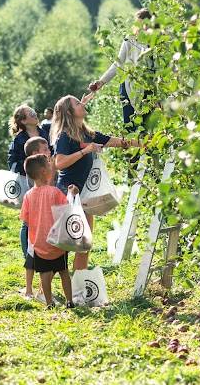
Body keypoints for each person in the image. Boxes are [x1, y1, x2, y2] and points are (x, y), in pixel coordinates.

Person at [51, 95, 139, 270]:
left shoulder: (88, 134)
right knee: (64, 244)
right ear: (69, 112)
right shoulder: (64, 136)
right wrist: (86, 151)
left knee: (84, 244)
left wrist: (145, 143)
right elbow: (59, 163)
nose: (82, 104)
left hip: (85, 196)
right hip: (68, 193)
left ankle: (79, 286)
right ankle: (44, 289)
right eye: (78, 103)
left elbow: (118, 142)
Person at [20, 154, 78, 309]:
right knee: (64, 271)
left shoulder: (28, 195)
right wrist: (72, 193)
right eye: (49, 164)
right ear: (45, 171)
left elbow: (25, 218)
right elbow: (67, 208)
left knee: (44, 274)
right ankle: (69, 301)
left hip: (39, 242)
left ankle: (49, 302)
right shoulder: (54, 192)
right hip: (58, 241)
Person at [87, 8, 156, 132]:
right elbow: (117, 64)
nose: (140, 28)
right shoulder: (129, 41)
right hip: (130, 86)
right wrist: (101, 82)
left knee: (148, 127)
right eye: (138, 24)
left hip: (149, 88)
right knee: (132, 125)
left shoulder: (157, 43)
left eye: (144, 24)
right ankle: (133, 149)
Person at [7, 104, 50, 298]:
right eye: (30, 113)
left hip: (47, 177)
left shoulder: (45, 130)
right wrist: (28, 171)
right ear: (23, 120)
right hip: (29, 180)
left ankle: (45, 252)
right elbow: (12, 161)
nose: (35, 113)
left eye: (34, 111)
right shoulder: (20, 139)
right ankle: (29, 253)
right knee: (29, 221)